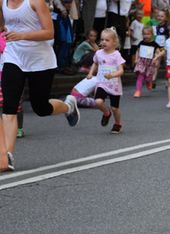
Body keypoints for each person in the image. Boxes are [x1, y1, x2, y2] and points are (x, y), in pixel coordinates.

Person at [0, 0, 80, 172]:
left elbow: (49, 32)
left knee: (41, 108)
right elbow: (3, 23)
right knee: (9, 107)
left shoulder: (35, 2)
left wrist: (22, 35)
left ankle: (68, 106)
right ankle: (7, 156)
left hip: (40, 61)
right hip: (13, 57)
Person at [87, 28, 125, 134]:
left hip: (114, 85)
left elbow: (121, 70)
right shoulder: (99, 53)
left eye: (107, 40)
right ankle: (106, 113)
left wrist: (112, 75)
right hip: (102, 83)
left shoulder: (116, 55)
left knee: (115, 108)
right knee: (98, 101)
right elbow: (95, 63)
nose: (103, 42)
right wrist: (90, 73)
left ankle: (117, 124)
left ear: (114, 42)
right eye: (102, 39)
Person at [133, 26, 160, 98]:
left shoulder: (154, 44)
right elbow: (137, 51)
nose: (146, 36)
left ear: (152, 35)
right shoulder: (141, 43)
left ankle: (149, 82)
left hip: (150, 63)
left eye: (148, 34)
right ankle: (138, 91)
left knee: (148, 76)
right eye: (144, 34)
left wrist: (156, 60)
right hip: (142, 61)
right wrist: (136, 59)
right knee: (140, 76)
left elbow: (158, 52)